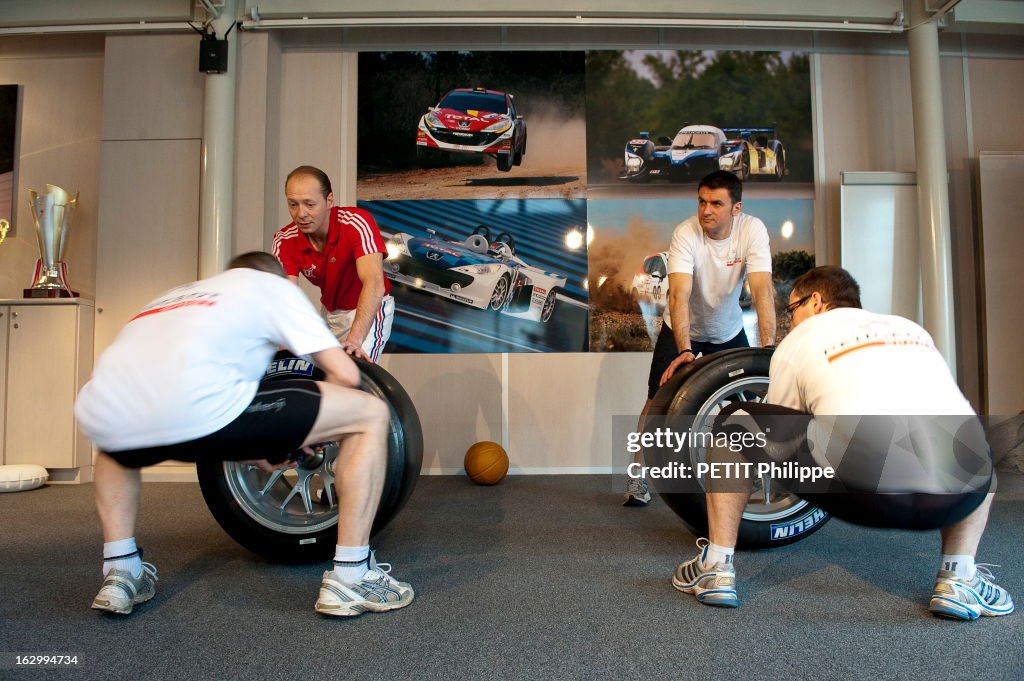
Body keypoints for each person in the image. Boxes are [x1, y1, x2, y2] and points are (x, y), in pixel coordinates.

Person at [76, 252, 413, 618]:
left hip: (107, 411)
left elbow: (175, 407)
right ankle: (352, 577)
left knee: (116, 450)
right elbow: (345, 375)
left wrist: (256, 446)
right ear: (274, 276)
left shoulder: (174, 296)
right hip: (201, 408)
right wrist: (307, 435)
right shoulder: (270, 287)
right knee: (369, 413)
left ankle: (121, 570)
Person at [672, 266, 1014, 621]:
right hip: (959, 496)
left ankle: (716, 568)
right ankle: (958, 578)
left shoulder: (800, 340)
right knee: (971, 442)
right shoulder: (910, 328)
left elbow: (780, 429)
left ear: (816, 301)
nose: (792, 321)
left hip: (865, 492)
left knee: (738, 419)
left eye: (792, 309)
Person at [623, 170, 776, 505]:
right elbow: (679, 295)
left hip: (728, 330)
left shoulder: (752, 230)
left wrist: (768, 351)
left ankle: (756, 475)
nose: (706, 210)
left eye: (716, 203)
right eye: (702, 201)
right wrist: (685, 350)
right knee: (656, 402)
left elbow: (763, 290)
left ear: (736, 208)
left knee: (748, 405)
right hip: (682, 330)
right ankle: (639, 478)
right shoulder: (686, 233)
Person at [272, 165, 393, 362]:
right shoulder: (284, 240)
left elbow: (374, 282)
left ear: (329, 200)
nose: (300, 214)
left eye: (309, 204)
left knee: (354, 372)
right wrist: (286, 342)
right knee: (318, 374)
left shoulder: (356, 222)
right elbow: (286, 297)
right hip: (330, 311)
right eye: (293, 204)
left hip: (369, 307)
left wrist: (354, 340)